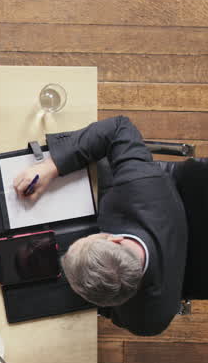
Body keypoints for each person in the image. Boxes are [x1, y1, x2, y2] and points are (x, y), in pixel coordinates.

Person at [11, 115, 187, 337]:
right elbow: (119, 127)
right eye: (84, 241)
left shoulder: (148, 319)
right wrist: (51, 166)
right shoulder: (142, 185)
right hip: (148, 205)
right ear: (115, 240)